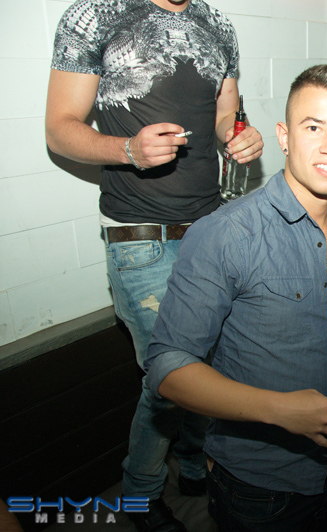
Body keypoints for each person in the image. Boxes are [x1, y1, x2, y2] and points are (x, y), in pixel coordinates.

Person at [143, 65, 327, 532]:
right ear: (284, 137)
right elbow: (166, 368)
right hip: (256, 488)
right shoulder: (227, 234)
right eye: (314, 128)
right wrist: (278, 409)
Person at [44, 1, 264, 530]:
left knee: (209, 364)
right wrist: (127, 149)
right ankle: (139, 494)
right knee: (171, 379)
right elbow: (58, 129)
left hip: (209, 229)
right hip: (141, 238)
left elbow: (225, 115)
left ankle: (190, 461)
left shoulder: (218, 24)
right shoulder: (94, 15)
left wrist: (240, 136)